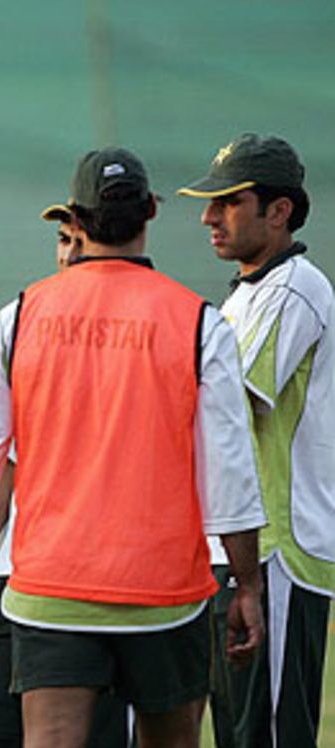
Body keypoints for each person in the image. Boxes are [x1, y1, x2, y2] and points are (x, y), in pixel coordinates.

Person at [0, 147, 267, 747]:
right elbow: (228, 474)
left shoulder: (17, 318)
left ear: (76, 221)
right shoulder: (199, 323)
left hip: (50, 588)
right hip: (165, 593)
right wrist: (247, 585)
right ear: (150, 210)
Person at [0, 204, 129, 748]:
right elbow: (0, 465)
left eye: (80, 240)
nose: (69, 254)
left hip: (113, 589)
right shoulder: (24, 323)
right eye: (62, 240)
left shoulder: (150, 329)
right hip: (23, 583)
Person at [178, 133, 333, 748]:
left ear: (279, 211)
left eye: (229, 202)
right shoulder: (249, 293)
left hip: (277, 553)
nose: (209, 217)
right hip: (239, 550)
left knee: (263, 735)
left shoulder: (294, 288)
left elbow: (229, 404)